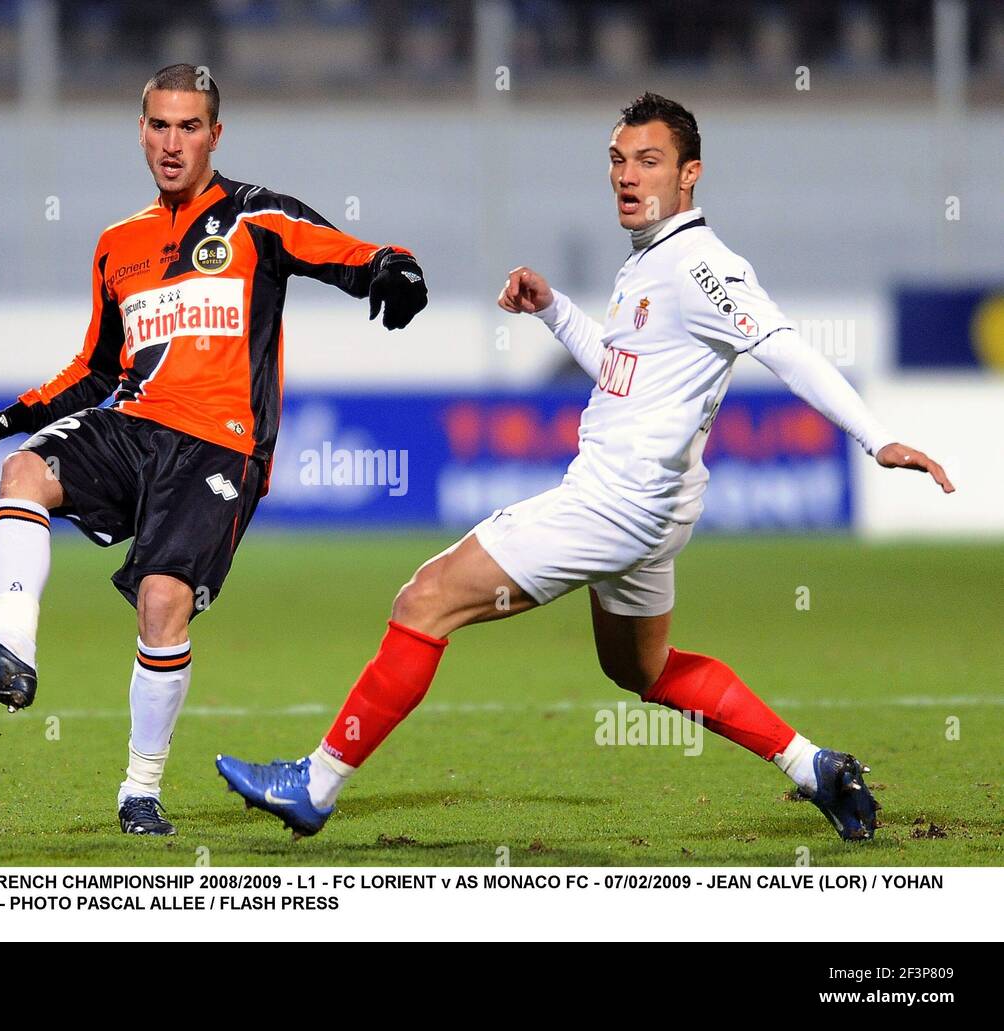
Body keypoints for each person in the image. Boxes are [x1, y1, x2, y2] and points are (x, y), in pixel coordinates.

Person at [215, 92, 954, 843]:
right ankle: (815, 766)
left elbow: (781, 344)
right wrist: (554, 309)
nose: (628, 177)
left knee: (425, 598)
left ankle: (315, 782)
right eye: (618, 160)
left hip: (615, 502)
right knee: (643, 669)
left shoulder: (700, 264)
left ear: (690, 174)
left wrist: (875, 436)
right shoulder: (651, 263)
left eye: (650, 161)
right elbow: (621, 370)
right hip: (655, 510)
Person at [0, 64, 428, 837]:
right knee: (23, 472)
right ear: (141, 131)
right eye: (159, 126)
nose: (173, 142)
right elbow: (96, 368)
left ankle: (138, 788)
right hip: (135, 426)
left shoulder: (256, 217)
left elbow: (349, 253)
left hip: (222, 446)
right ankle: (12, 652)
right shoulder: (119, 244)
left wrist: (395, 269)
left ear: (216, 135)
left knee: (162, 600)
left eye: (190, 127)